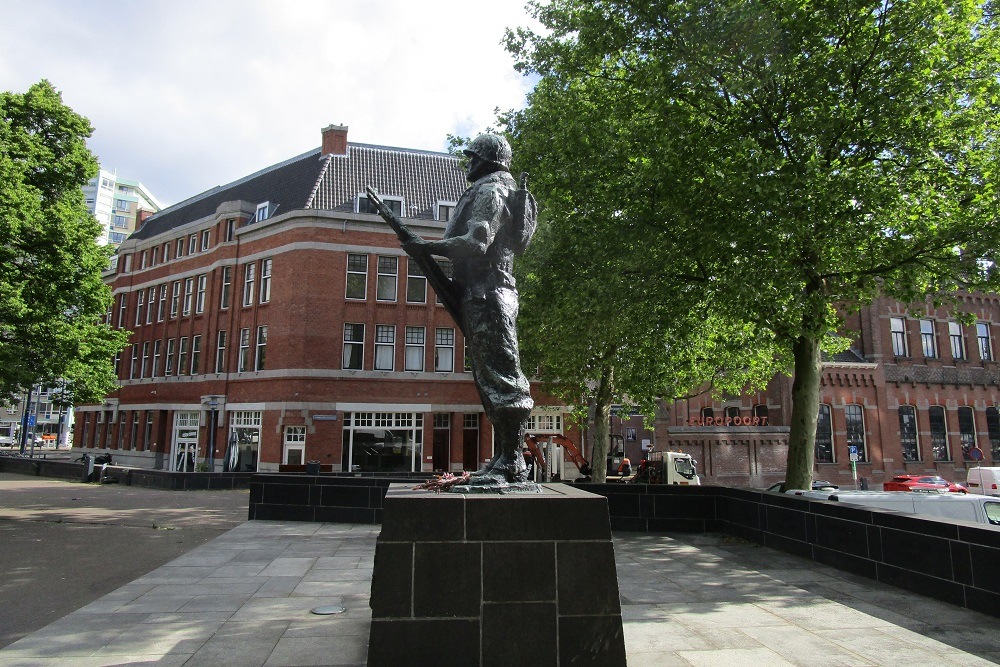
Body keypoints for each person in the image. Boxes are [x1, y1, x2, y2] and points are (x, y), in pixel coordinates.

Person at [368, 134, 536, 484]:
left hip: (488, 292)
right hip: (484, 291)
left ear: (487, 159)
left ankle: (512, 462)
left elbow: (477, 242)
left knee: (502, 376)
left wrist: (427, 248)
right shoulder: (494, 188)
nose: (468, 164)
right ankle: (506, 456)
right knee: (490, 377)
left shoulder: (491, 191)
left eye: (473, 157)